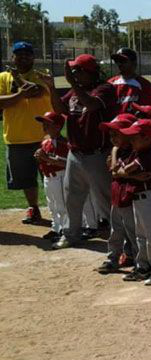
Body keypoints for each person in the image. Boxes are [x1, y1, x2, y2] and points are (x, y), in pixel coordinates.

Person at [43, 54, 118, 250]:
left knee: (105, 200)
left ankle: (118, 239)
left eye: (77, 70)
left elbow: (92, 105)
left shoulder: (105, 89)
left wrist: (73, 84)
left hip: (97, 154)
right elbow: (60, 109)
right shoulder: (76, 90)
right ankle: (71, 235)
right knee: (72, 198)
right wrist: (51, 87)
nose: (74, 74)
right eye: (73, 71)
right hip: (75, 153)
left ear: (89, 71)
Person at [0, 41, 53, 224]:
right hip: (16, 136)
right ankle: (34, 208)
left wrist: (17, 80)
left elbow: (35, 91)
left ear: (33, 57)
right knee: (25, 180)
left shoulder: (42, 75)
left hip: (44, 137)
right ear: (12, 57)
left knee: (52, 177)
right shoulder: (2, 77)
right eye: (19, 54)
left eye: (27, 54)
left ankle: (59, 211)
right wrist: (19, 94)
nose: (23, 57)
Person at [115, 119, 151, 285]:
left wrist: (126, 173)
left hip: (147, 199)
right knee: (141, 236)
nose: (131, 140)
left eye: (135, 137)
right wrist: (130, 175)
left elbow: (122, 170)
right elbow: (116, 170)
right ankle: (143, 267)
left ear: (147, 139)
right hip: (137, 199)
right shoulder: (136, 152)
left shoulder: (148, 154)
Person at [95, 113, 139, 274]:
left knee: (133, 232)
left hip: (130, 198)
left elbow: (116, 171)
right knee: (115, 231)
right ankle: (113, 258)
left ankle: (138, 261)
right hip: (117, 197)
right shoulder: (118, 151)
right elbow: (115, 171)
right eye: (111, 135)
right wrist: (115, 152)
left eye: (116, 134)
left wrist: (118, 170)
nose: (112, 138)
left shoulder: (135, 151)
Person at [32, 112, 68, 240]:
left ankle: (65, 230)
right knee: (52, 205)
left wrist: (47, 158)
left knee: (62, 205)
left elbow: (67, 163)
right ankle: (56, 228)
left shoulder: (64, 143)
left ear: (58, 127)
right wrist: (39, 156)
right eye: (44, 124)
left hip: (60, 177)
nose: (44, 127)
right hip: (48, 178)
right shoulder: (46, 142)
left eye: (48, 124)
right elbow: (43, 159)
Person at [108, 47, 151, 114]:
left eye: (122, 60)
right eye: (116, 61)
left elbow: (148, 112)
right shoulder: (110, 83)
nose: (119, 64)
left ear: (134, 63)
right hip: (114, 124)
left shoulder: (145, 85)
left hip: (135, 123)